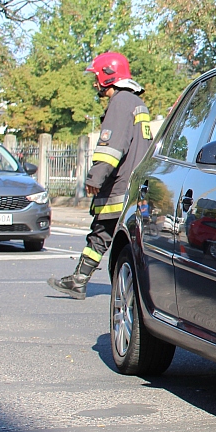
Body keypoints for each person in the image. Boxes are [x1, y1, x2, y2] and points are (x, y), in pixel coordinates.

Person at [48, 52, 154, 300]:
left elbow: (112, 148)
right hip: (138, 188)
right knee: (115, 236)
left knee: (103, 233)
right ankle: (80, 280)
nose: (94, 83)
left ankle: (81, 280)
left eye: (96, 77)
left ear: (108, 76)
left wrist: (95, 178)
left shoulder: (120, 103)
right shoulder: (137, 104)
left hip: (119, 188)